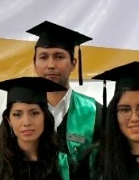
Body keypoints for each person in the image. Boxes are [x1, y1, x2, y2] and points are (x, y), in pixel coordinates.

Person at [26, 21, 102, 156]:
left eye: (59, 57)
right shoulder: (21, 114)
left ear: (73, 63)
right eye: (43, 57)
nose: (51, 65)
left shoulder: (96, 113)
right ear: (34, 63)